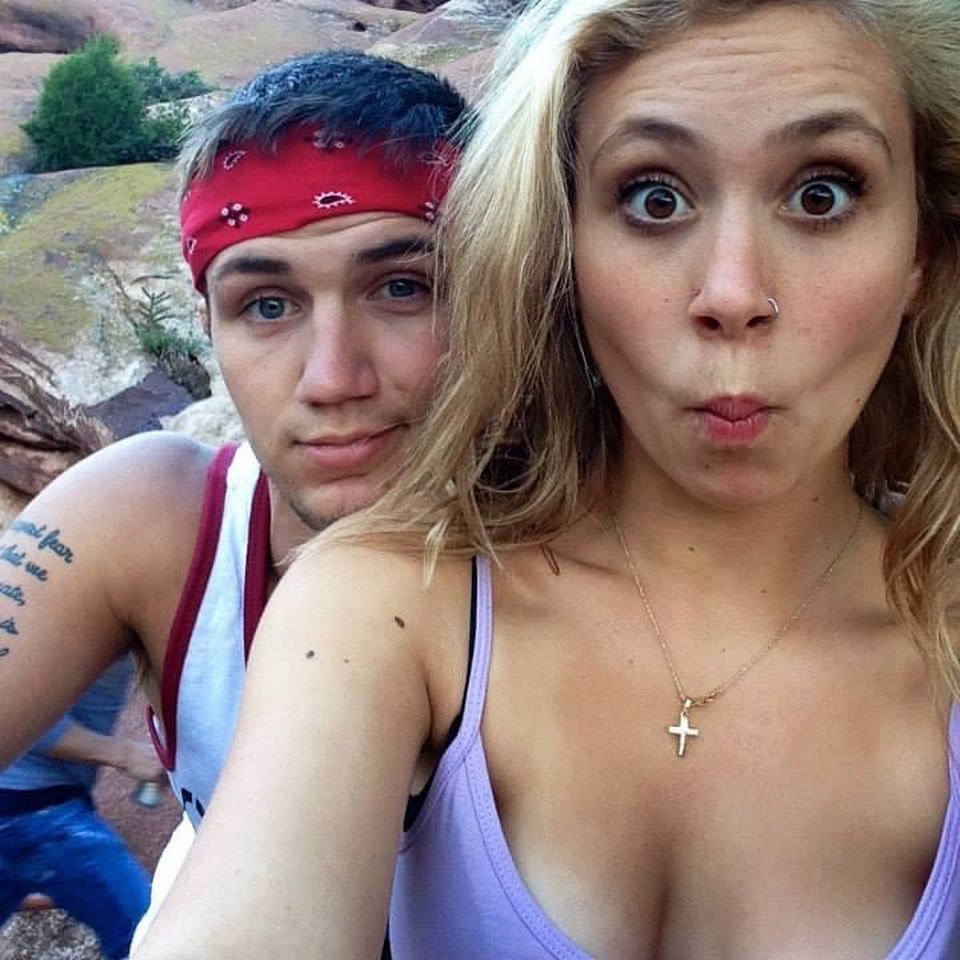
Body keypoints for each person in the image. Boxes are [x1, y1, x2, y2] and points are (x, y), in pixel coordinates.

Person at [133, 0, 960, 958]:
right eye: (655, 199)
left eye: (821, 195)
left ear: (920, 254)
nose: (733, 293)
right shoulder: (387, 608)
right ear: (560, 251)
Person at [0, 48, 468, 945]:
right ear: (209, 325)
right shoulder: (155, 519)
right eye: (267, 305)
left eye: (403, 287)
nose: (333, 377)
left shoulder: (613, 552)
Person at [0, 654, 163, 959]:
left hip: (31, 809)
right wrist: (125, 754)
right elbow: (14, 710)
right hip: (35, 811)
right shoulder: (51, 625)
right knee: (150, 939)